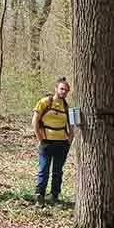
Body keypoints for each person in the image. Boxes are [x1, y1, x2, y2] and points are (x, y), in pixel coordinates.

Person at [32, 77, 73, 206]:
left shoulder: (67, 107)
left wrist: (69, 141)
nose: (63, 92)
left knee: (57, 171)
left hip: (62, 143)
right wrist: (40, 138)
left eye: (66, 90)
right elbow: (35, 122)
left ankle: (54, 196)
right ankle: (40, 195)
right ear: (56, 89)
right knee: (43, 169)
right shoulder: (45, 102)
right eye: (61, 89)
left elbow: (72, 126)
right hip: (46, 142)